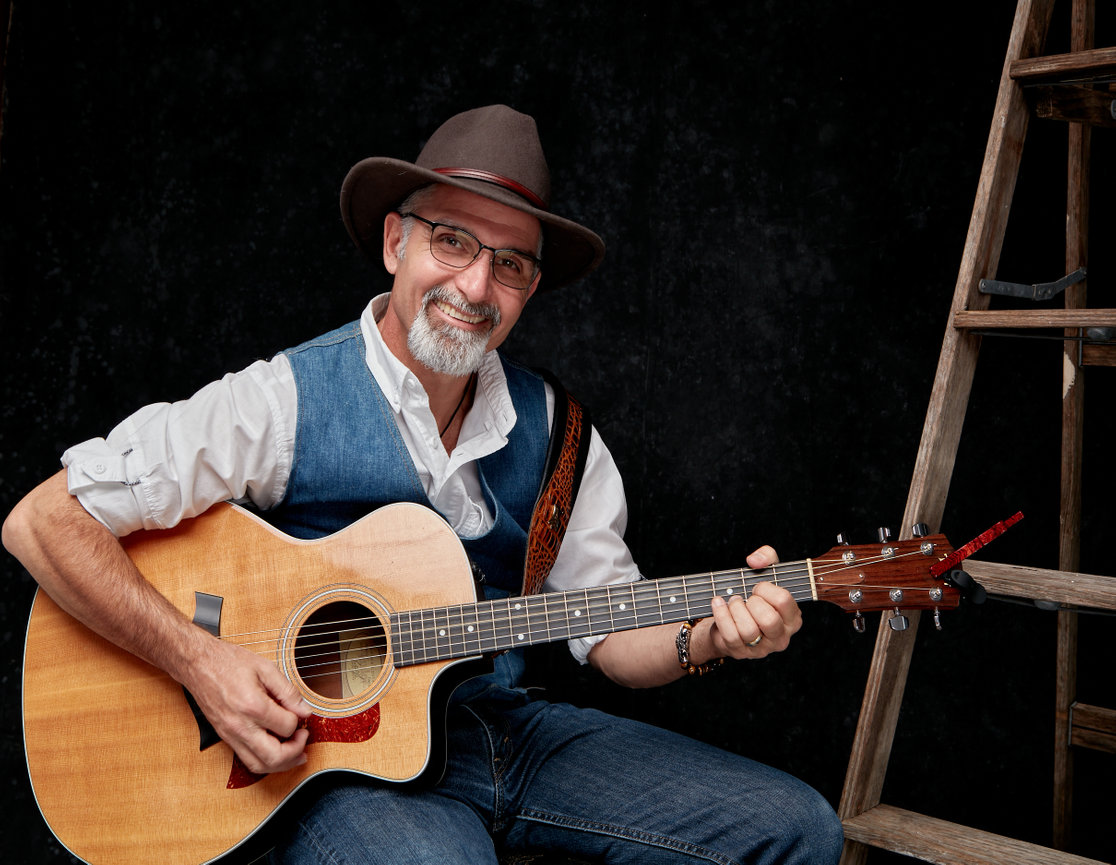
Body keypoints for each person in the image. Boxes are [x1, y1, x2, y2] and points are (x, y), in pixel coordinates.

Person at [3, 105, 844, 864]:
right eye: (453, 242)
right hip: (321, 762)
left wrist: (710, 637)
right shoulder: (282, 400)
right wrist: (201, 662)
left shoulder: (560, 436)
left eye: (511, 264)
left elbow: (610, 635)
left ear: (531, 288)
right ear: (395, 242)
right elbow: (42, 521)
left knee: (796, 825)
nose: (476, 287)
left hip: (499, 730)